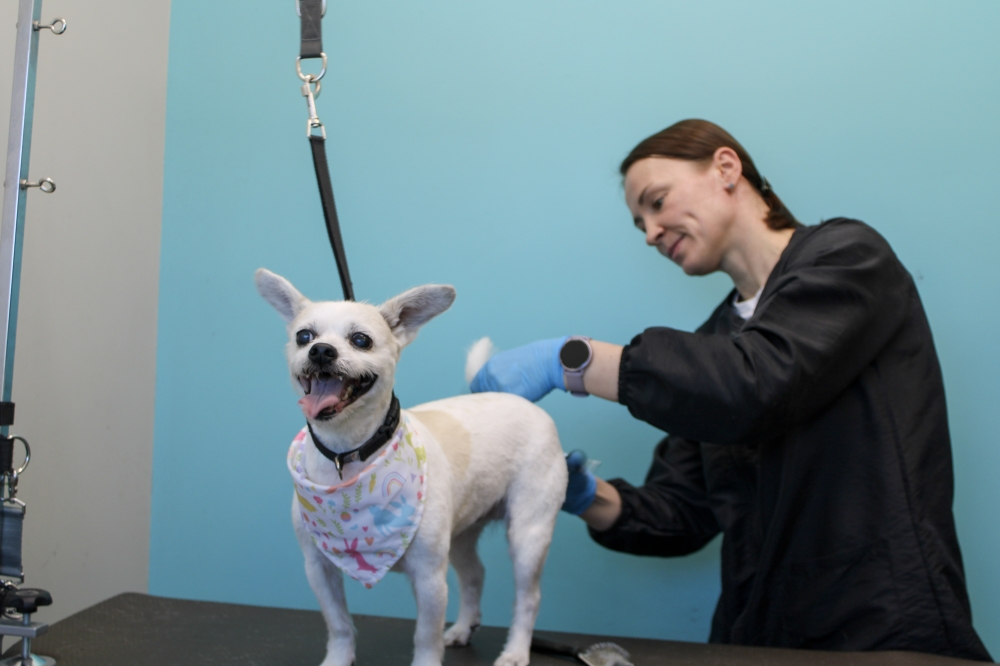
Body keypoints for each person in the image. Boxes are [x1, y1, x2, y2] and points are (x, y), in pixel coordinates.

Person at [470, 119, 992, 661]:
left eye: (656, 201)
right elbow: (682, 513)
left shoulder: (849, 258)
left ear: (726, 167)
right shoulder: (713, 345)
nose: (649, 232)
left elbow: (756, 381)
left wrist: (569, 361)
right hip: (755, 635)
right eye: (638, 223)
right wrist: (578, 493)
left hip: (880, 628)